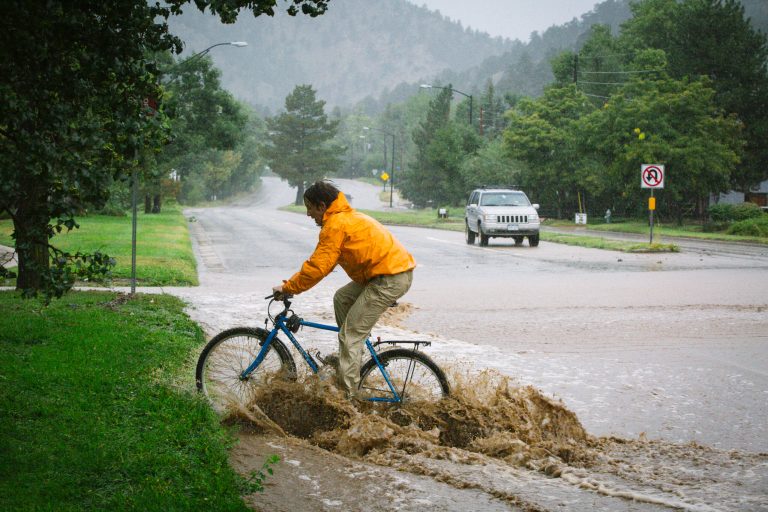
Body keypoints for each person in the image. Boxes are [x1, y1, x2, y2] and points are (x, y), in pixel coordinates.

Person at [272, 180, 416, 398]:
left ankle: (347, 402)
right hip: (385, 273)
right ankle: (349, 359)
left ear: (322, 206)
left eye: (310, 208)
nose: (309, 214)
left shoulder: (335, 225)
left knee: (350, 335)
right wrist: (293, 286)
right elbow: (323, 265)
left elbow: (318, 267)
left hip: (389, 278)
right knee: (342, 298)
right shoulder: (343, 217)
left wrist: (288, 287)